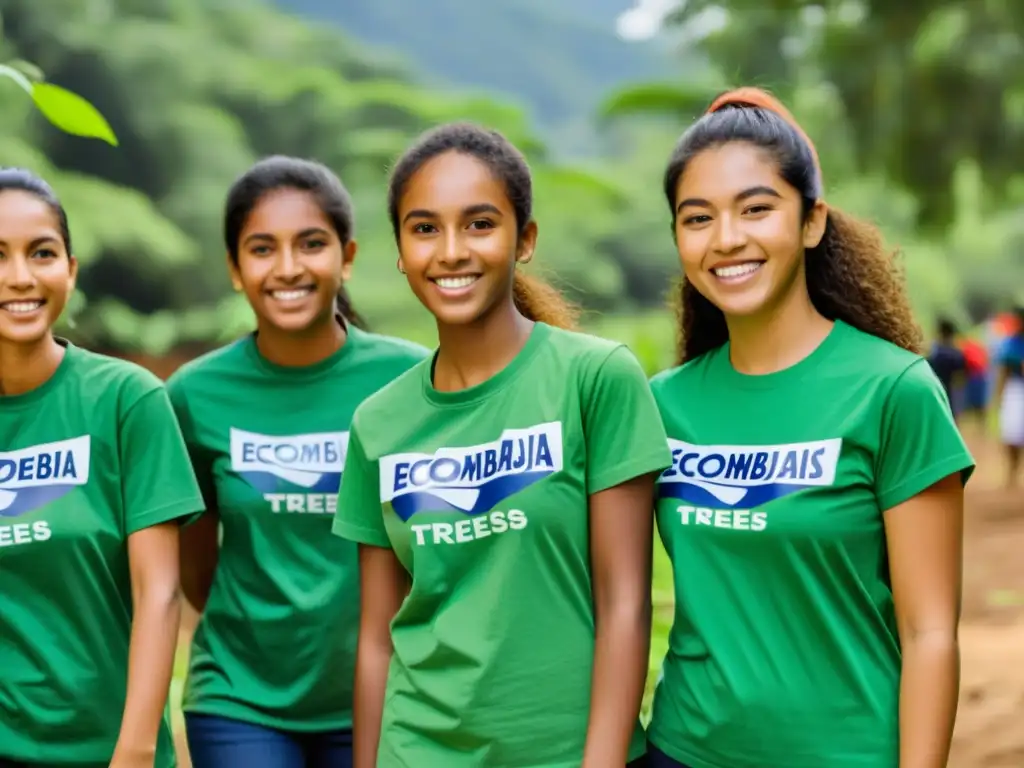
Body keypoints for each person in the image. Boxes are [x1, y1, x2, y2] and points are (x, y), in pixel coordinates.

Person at [646, 88, 975, 768]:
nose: (727, 238)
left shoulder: (893, 391)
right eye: (697, 217)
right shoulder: (660, 405)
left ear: (812, 221)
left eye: (756, 209)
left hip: (848, 753)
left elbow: (930, 630)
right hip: (686, 750)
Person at [331, 123, 671, 768]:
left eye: (480, 223)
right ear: (401, 250)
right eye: (425, 228)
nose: (451, 251)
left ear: (525, 240)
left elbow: (624, 603)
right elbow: (377, 639)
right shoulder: (378, 423)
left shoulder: (593, 378)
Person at [167, 156, 430, 768]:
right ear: (235, 269)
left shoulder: (410, 378)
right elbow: (197, 569)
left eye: (311, 244)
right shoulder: (193, 394)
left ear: (348, 255)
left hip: (389, 691)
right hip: (241, 699)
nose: (288, 268)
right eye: (262, 249)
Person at [0, 168, 204, 767]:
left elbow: (160, 592)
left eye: (41, 253)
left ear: (71, 270)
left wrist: (136, 752)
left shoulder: (126, 400)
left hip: (110, 751)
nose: (20, 277)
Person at [993, 305, 1024, 488]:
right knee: (1011, 433)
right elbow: (1003, 371)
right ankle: (1012, 470)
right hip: (1016, 389)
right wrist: (998, 396)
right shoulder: (1011, 343)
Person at [926, 317, 967, 417]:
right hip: (951, 394)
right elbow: (960, 379)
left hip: (934, 392)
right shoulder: (956, 353)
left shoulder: (933, 353)